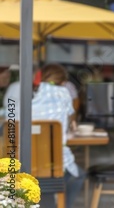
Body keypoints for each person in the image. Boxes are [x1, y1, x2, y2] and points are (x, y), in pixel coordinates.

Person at [32, 63, 85, 208]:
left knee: (43, 173)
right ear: (63, 83)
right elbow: (71, 119)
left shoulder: (29, 99)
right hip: (53, 165)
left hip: (26, 164)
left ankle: (43, 198)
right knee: (77, 175)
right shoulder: (64, 94)